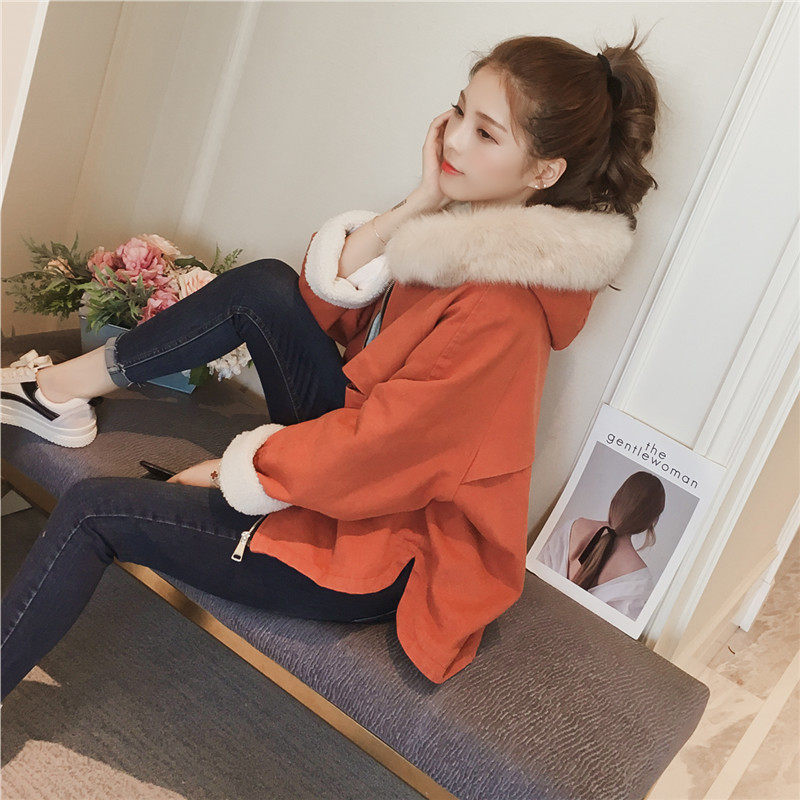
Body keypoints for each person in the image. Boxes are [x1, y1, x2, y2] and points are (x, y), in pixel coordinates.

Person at [1, 28, 661, 698]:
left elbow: (386, 453)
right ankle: (56, 393)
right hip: (360, 463)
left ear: (545, 173)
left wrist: (243, 470)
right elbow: (319, 306)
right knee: (263, 287)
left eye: (486, 134)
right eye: (460, 112)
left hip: (387, 539)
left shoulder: (502, 312)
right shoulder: (456, 241)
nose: (455, 141)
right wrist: (421, 201)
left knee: (90, 509)